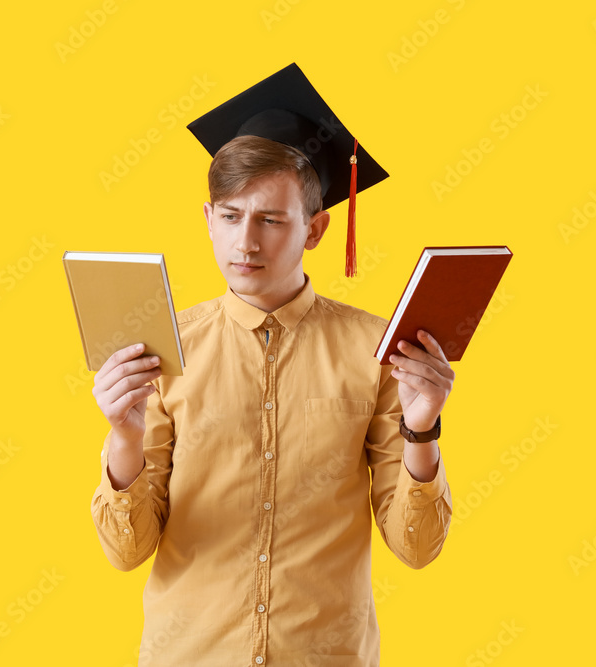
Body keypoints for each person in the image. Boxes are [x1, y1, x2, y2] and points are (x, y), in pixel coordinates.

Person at [89, 63, 454, 666]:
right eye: (230, 217)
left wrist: (422, 430)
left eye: (271, 220)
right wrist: (123, 440)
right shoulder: (162, 350)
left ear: (314, 229)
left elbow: (417, 549)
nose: (246, 243)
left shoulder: (378, 352)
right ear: (207, 220)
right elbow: (126, 552)